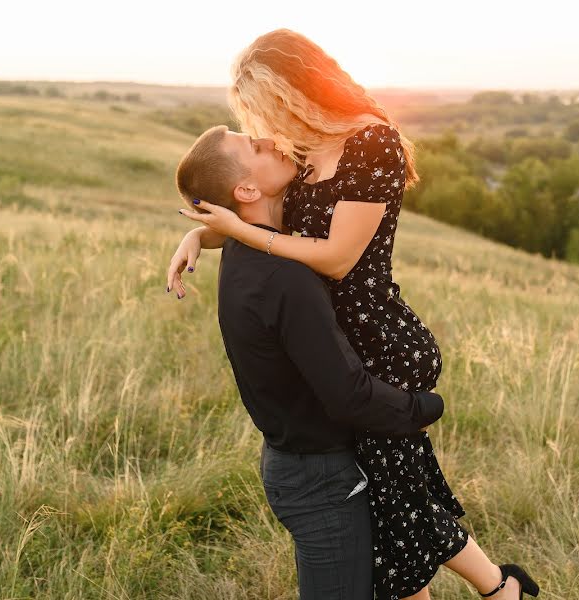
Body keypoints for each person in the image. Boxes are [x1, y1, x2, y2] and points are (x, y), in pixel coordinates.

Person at [168, 30, 539, 600]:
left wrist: (240, 232)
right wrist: (202, 233)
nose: (265, 126)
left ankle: (501, 591)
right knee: (395, 514)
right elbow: (269, 215)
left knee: (398, 508)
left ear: (297, 88)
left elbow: (338, 259)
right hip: (334, 346)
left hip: (379, 344)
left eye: (265, 107)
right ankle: (502, 591)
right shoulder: (299, 149)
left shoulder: (373, 144)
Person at [175, 124, 447, 599]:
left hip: (299, 465)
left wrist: (203, 233)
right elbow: (349, 396)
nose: (272, 140)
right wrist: (425, 408)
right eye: (255, 146)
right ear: (246, 189)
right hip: (321, 481)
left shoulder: (245, 252)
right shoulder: (285, 278)